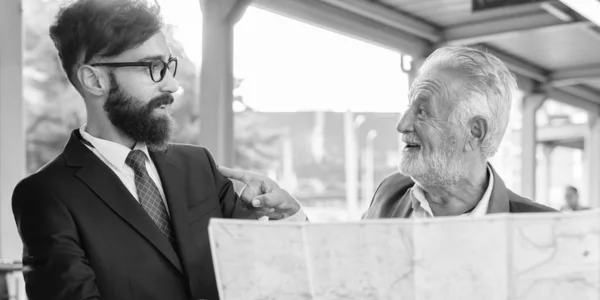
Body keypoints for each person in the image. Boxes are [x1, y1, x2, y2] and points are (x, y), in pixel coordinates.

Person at [11, 1, 303, 300]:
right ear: (94, 80)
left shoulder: (198, 165)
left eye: (169, 66)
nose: (171, 86)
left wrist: (287, 218)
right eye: (152, 68)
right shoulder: (47, 195)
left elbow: (260, 274)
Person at [221, 47, 555, 217]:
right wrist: (292, 216)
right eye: (409, 106)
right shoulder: (391, 193)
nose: (402, 125)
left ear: (475, 132)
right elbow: (348, 276)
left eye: (422, 111)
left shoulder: (541, 232)